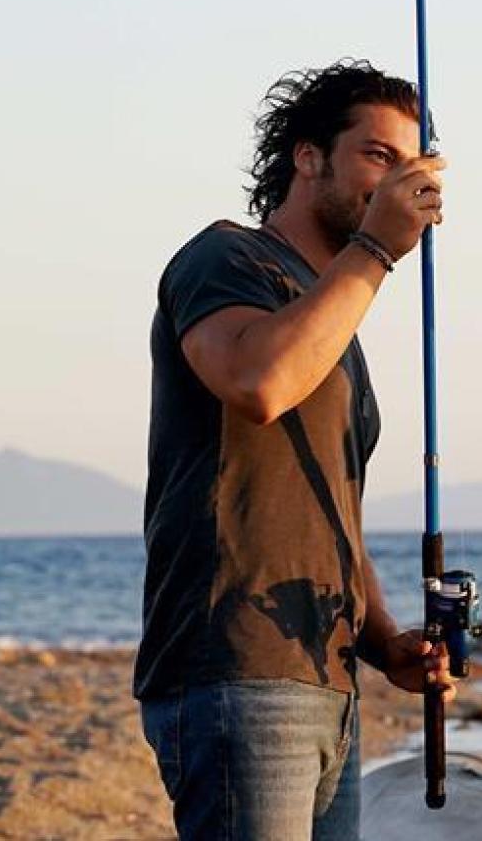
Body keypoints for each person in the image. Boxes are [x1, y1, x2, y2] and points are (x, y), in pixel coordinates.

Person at [136, 59, 456, 841]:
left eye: (411, 167)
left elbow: (331, 512)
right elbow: (258, 382)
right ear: (307, 158)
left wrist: (386, 641)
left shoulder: (332, 319)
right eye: (378, 157)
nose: (396, 182)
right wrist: (377, 251)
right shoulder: (226, 258)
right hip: (239, 667)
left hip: (327, 673)